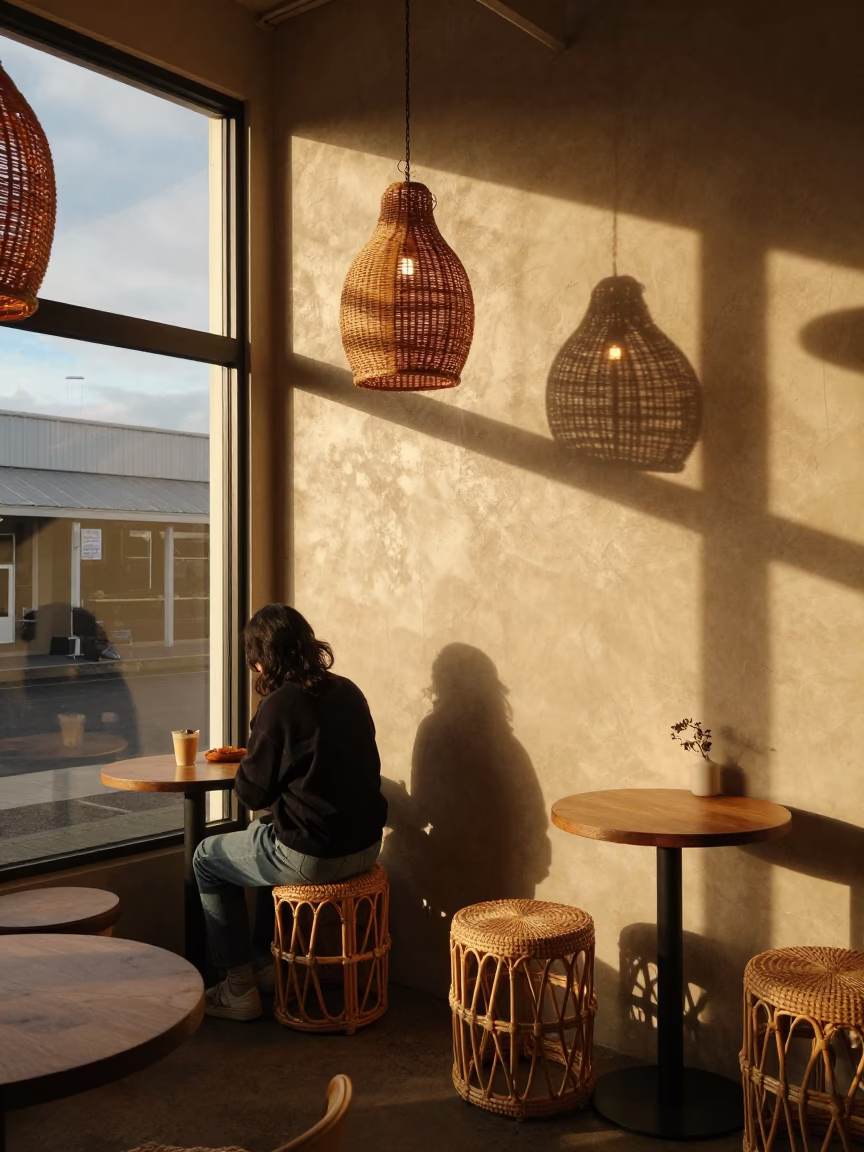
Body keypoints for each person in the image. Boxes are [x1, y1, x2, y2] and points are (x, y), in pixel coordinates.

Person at [193, 604, 387, 1020]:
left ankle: (239, 987)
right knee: (267, 833)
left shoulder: (280, 706)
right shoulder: (348, 690)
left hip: (318, 857)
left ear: (262, 658)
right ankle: (266, 966)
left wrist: (252, 752)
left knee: (206, 858)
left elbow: (251, 792)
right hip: (369, 844)